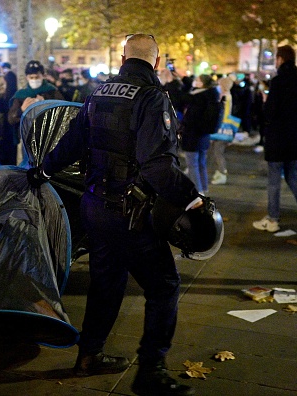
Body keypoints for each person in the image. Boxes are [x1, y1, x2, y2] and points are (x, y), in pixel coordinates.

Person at [28, 34, 200, 396]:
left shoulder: (99, 93)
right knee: (164, 285)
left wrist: (43, 170)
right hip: (131, 213)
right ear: (156, 62)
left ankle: (89, 356)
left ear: (123, 56)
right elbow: (157, 166)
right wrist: (191, 198)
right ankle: (151, 370)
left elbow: (71, 144)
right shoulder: (152, 98)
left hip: (96, 207)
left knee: (107, 281)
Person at [252, 45, 297, 236]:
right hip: (295, 136)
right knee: (292, 175)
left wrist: (265, 103)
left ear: (280, 59)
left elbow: (270, 112)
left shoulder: (278, 81)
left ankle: (273, 219)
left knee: (274, 180)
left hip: (277, 137)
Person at [180, 74, 220, 193]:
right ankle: (204, 188)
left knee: (192, 165)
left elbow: (191, 118)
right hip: (204, 136)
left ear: (202, 84)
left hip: (193, 136)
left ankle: (198, 192)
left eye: (197, 80)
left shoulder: (198, 98)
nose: (195, 82)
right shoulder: (212, 96)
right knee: (201, 164)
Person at [210, 77, 234, 185]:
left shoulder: (224, 96)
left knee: (218, 151)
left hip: (221, 127)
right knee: (217, 151)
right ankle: (220, 171)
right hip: (223, 126)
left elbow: (222, 112)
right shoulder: (228, 95)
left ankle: (222, 172)